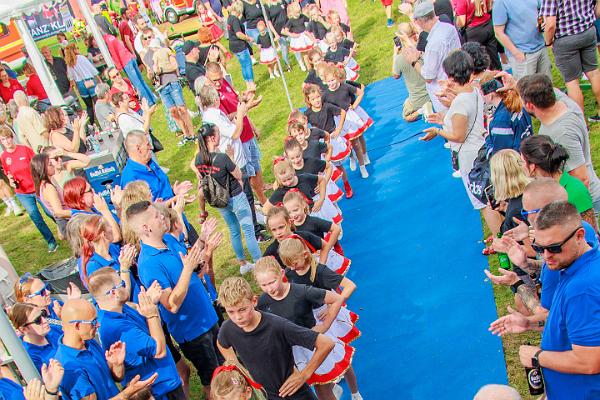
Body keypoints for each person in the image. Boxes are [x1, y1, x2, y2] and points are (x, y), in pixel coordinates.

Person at [125, 200, 220, 399]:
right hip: (194, 332)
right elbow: (171, 304)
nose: (163, 216)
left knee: (224, 369)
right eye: (157, 216)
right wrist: (187, 269)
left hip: (208, 317)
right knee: (213, 381)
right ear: (146, 228)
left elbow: (189, 264)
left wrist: (201, 240)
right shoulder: (149, 264)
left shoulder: (168, 239)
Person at [518, 201, 600, 399]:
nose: (546, 256)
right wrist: (529, 323)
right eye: (539, 247)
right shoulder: (579, 264)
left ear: (579, 236)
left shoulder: (582, 290)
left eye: (554, 248)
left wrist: (536, 356)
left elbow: (589, 362)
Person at [253, 257, 356, 400]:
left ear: (281, 273)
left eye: (272, 282)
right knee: (314, 389)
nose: (269, 288)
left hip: (312, 347)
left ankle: (347, 391)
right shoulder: (263, 302)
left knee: (322, 391)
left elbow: (336, 299)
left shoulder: (300, 291)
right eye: (263, 285)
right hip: (289, 352)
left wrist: (325, 326)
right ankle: (333, 387)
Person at [217, 276, 335, 400]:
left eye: (242, 309)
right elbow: (222, 344)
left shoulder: (277, 326)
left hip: (293, 394)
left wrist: (304, 375)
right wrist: (236, 367)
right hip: (265, 395)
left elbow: (326, 343)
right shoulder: (227, 328)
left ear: (254, 301)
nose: (237, 317)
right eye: (231, 312)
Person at [88, 267, 186, 400]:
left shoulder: (118, 309)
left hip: (165, 380)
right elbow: (159, 351)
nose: (125, 286)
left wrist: (148, 301)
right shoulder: (116, 329)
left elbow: (142, 318)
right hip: (158, 390)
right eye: (122, 284)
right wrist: (152, 314)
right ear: (114, 293)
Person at [516, 74, 600, 213]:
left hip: (583, 201)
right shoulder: (565, 102)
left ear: (530, 105)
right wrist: (515, 84)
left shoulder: (562, 134)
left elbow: (581, 178)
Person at [421, 50, 487, 211]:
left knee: (483, 203)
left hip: (469, 156)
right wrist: (444, 119)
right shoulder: (473, 90)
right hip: (480, 148)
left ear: (451, 76)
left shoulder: (460, 103)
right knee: (488, 197)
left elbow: (458, 136)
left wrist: (437, 131)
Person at [54, 298, 158, 400]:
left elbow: (116, 378)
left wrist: (117, 365)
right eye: (93, 322)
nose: (98, 325)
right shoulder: (69, 368)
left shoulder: (89, 342)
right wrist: (129, 392)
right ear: (77, 326)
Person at [193, 122, 262, 274]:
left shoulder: (198, 159)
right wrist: (230, 157)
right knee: (248, 230)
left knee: (234, 230)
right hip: (236, 197)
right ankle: (259, 262)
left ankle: (243, 263)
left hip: (220, 200)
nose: (220, 136)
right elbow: (238, 174)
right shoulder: (222, 158)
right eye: (218, 133)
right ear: (212, 138)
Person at [204, 62, 267, 206]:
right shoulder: (211, 96)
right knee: (247, 172)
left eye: (220, 78)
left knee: (256, 165)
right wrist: (246, 107)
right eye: (214, 80)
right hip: (238, 138)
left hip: (246, 131)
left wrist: (245, 100)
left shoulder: (225, 83)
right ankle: (261, 201)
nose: (218, 83)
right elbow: (226, 119)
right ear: (207, 77)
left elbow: (237, 103)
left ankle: (261, 195)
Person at [520, 134, 598, 231]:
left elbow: (590, 233)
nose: (521, 166)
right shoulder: (540, 189)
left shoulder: (575, 191)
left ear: (532, 167)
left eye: (522, 162)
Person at [540, 0, 600, 120]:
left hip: (565, 39)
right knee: (594, 73)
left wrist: (548, 42)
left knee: (572, 82)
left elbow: (550, 25)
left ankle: (581, 123)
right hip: (587, 31)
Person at [0, 127, 57, 252]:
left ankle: (64, 229)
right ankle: (51, 241)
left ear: (12, 138)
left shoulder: (24, 150)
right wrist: (11, 181)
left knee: (50, 211)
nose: (7, 141)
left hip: (36, 187)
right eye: (3, 139)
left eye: (8, 138)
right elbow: (8, 173)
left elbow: (37, 166)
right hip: (22, 192)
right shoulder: (3, 157)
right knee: (35, 216)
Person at [409, 0, 461, 112]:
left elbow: (428, 76)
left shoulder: (433, 44)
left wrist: (414, 62)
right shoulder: (448, 27)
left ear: (420, 20)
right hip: (458, 82)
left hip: (444, 94)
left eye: (416, 20)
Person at [145, 39, 195, 145]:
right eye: (145, 38)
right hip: (161, 87)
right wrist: (150, 73)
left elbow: (175, 65)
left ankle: (193, 134)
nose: (148, 40)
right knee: (173, 112)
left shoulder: (166, 50)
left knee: (182, 109)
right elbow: (150, 75)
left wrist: (164, 70)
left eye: (149, 37)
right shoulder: (147, 57)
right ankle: (186, 135)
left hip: (172, 82)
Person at [492, 0, 551, 81]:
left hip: (541, 47)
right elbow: (498, 33)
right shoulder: (501, 2)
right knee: (527, 87)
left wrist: (544, 18)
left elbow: (542, 8)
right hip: (523, 55)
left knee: (547, 84)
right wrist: (516, 53)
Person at [478, 70, 532, 156]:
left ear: (490, 95)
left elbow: (498, 157)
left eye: (481, 93)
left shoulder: (500, 121)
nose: (481, 97)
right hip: (529, 154)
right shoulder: (519, 103)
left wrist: (487, 135)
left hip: (516, 162)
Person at [101, 26, 156, 106]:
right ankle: (152, 98)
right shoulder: (110, 37)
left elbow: (114, 53)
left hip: (125, 62)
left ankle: (148, 102)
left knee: (137, 84)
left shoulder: (107, 41)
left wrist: (118, 67)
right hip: (130, 57)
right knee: (141, 80)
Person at [393, 22, 432, 122]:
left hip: (418, 99)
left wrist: (395, 54)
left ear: (400, 37)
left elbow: (395, 75)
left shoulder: (401, 58)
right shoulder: (425, 46)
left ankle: (421, 111)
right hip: (435, 92)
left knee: (406, 116)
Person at [30, 153, 72, 239]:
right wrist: (80, 213)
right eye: (50, 164)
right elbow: (58, 212)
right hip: (68, 222)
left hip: (68, 220)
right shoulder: (48, 187)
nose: (53, 165)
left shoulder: (51, 181)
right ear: (42, 169)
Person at [9, 303, 60, 373]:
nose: (45, 320)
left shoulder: (53, 329)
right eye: (38, 320)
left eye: (43, 314)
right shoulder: (28, 356)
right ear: (23, 329)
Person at [453, 0, 501, 70]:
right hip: (488, 25)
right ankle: (498, 75)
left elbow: (462, 23)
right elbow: (489, 7)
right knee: (494, 59)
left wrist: (456, 17)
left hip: (473, 33)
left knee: (475, 62)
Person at [64, 43, 100, 125]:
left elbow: (71, 77)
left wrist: (76, 87)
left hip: (80, 84)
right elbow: (92, 69)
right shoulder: (81, 58)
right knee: (97, 102)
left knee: (89, 106)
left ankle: (92, 123)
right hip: (90, 81)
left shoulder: (69, 63)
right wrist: (99, 79)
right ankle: (101, 118)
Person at [227, 1, 256, 90]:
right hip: (240, 46)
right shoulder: (235, 20)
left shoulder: (229, 18)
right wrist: (249, 38)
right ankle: (251, 84)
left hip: (233, 46)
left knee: (243, 65)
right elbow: (238, 34)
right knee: (248, 64)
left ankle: (247, 84)